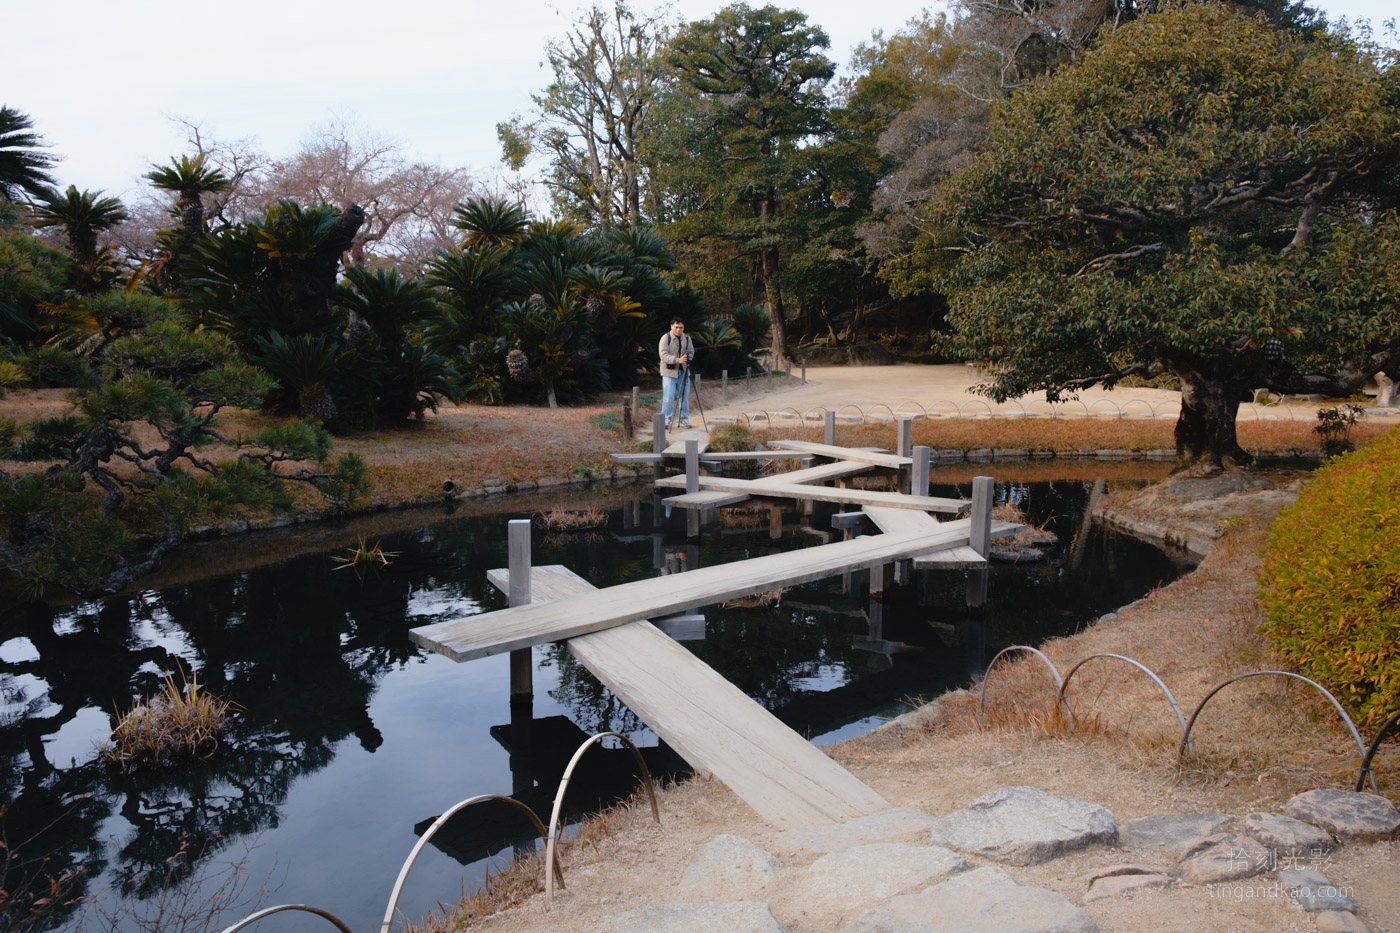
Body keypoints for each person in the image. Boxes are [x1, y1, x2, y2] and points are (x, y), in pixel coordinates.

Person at [658, 316, 696, 429]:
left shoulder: (687, 339)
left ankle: (684, 418)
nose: (678, 330)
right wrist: (677, 360)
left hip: (683, 372)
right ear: (671, 326)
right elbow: (663, 355)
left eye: (681, 327)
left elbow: (691, 352)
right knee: (668, 397)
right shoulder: (665, 338)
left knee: (684, 397)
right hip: (669, 372)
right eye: (676, 327)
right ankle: (666, 419)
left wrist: (688, 358)